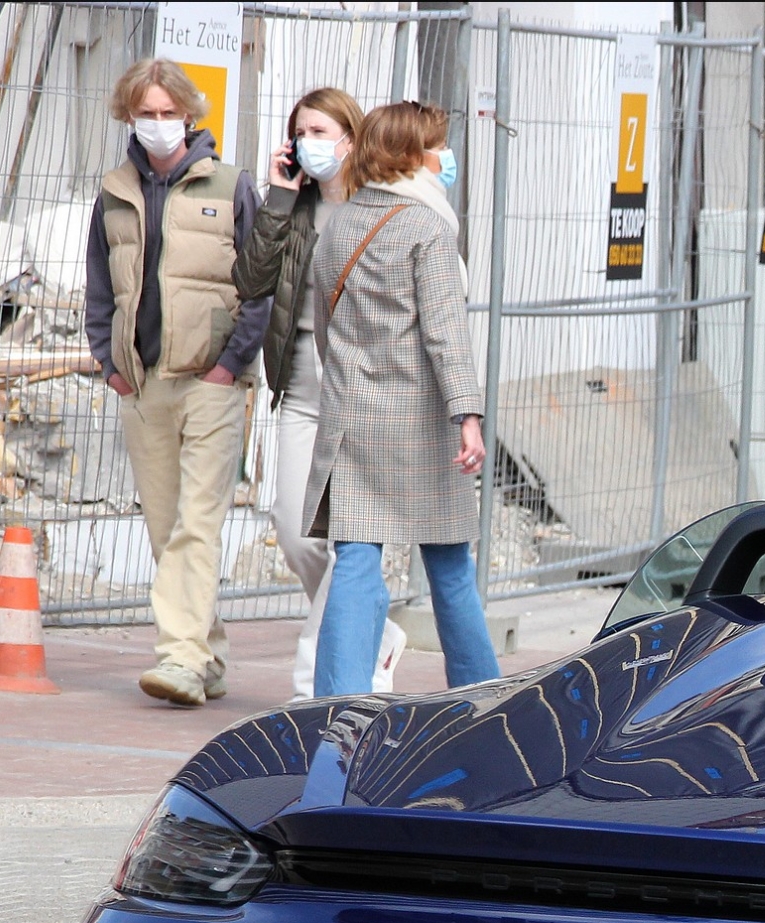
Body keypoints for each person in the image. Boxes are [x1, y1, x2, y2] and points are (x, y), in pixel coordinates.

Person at [84, 59, 269, 708]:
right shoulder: (114, 191)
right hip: (143, 383)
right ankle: (209, 655)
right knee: (166, 529)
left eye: (169, 113)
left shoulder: (231, 184)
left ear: (190, 116)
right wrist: (109, 363)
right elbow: (100, 284)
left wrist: (232, 362)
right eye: (146, 113)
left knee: (197, 521)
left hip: (212, 382)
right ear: (128, 116)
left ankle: (181, 660)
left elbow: (262, 281)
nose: (158, 125)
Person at [304, 101, 500, 698]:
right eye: (437, 146)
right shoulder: (428, 227)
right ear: (413, 154)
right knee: (448, 568)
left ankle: (335, 704)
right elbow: (446, 334)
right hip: (421, 426)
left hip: (353, 419)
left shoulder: (339, 221)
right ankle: (482, 701)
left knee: (356, 561)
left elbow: (323, 323)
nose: (445, 157)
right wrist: (467, 415)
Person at [230, 86, 403, 700]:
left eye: (322, 132)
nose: (310, 143)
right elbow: (249, 279)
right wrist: (279, 195)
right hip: (300, 388)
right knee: (295, 529)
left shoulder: (377, 208)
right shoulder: (294, 208)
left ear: (352, 139)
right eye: (301, 132)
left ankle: (316, 675)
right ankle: (371, 636)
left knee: (348, 535)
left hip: (358, 393)